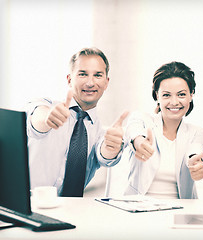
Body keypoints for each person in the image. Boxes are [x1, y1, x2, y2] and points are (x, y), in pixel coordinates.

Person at [26, 47, 128, 197]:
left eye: (98, 75)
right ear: (69, 79)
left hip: (70, 213)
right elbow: (36, 120)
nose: (90, 83)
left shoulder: (101, 133)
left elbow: (104, 155)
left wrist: (112, 149)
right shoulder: (45, 105)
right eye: (82, 74)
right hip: (28, 207)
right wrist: (48, 119)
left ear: (106, 83)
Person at [122, 61, 203, 199]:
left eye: (181, 95)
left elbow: (195, 151)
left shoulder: (196, 132)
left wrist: (195, 164)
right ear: (157, 96)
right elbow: (134, 130)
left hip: (181, 211)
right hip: (138, 209)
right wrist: (139, 142)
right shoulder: (142, 119)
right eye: (167, 95)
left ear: (191, 95)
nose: (174, 102)